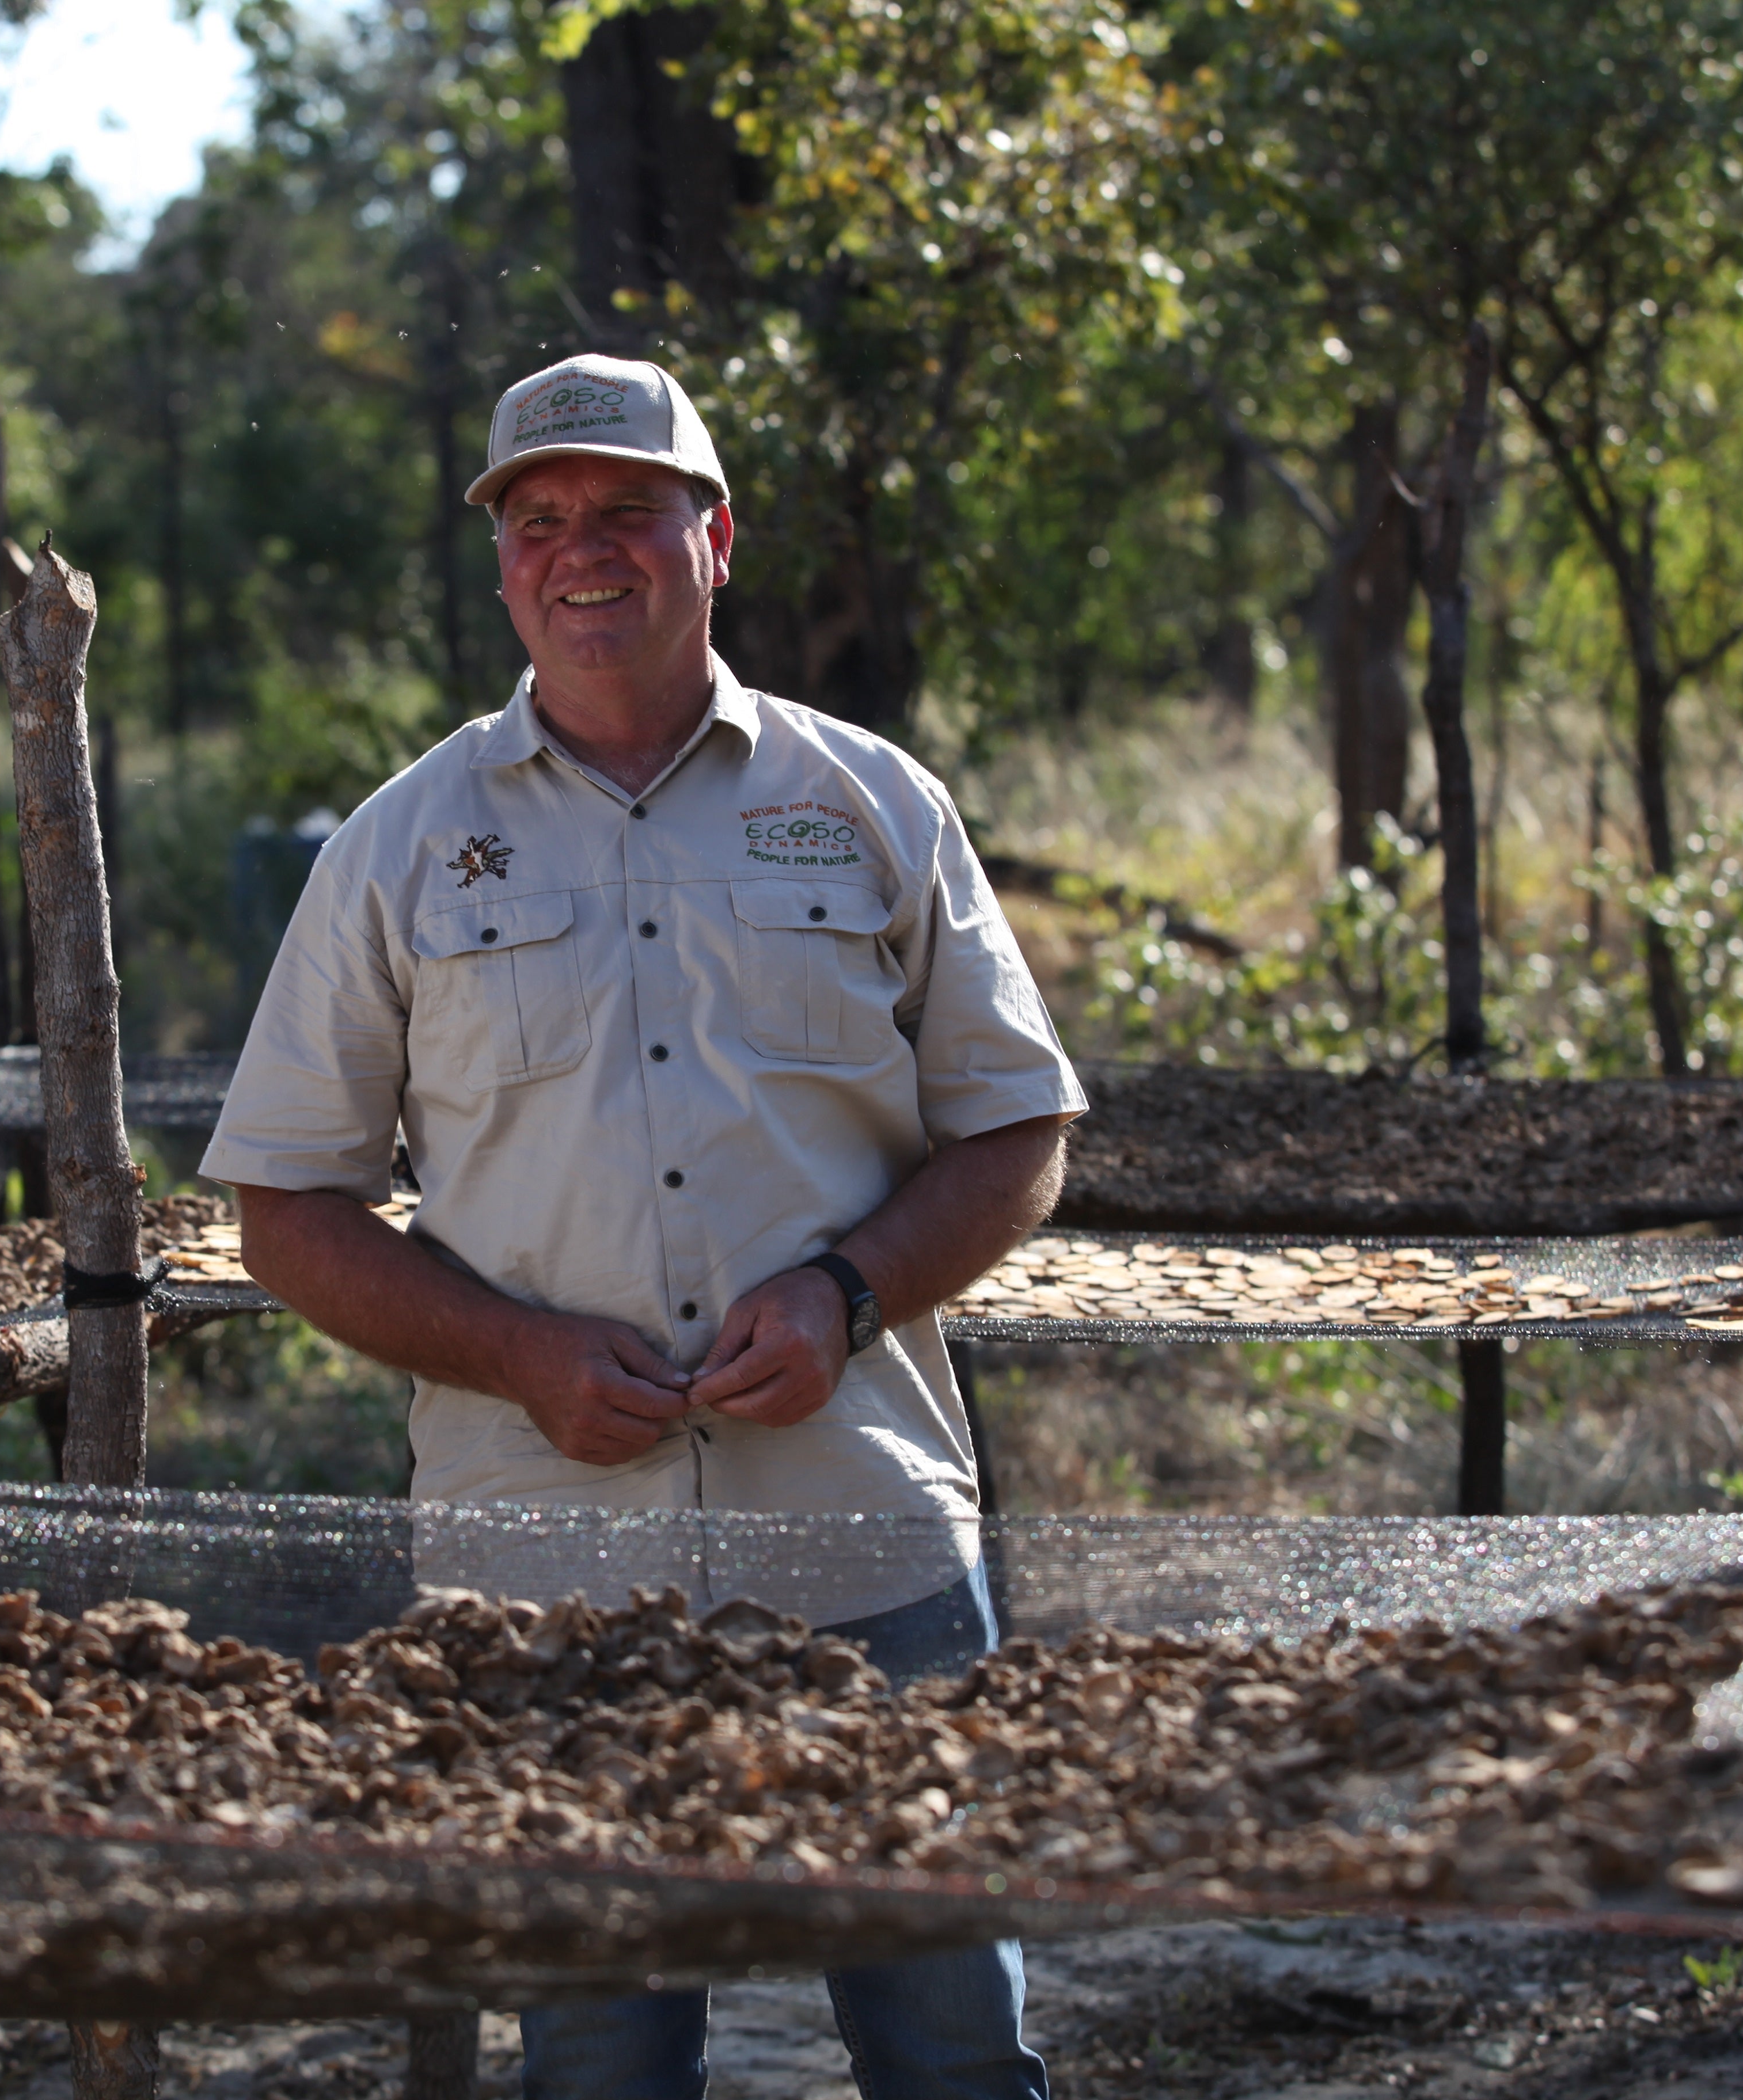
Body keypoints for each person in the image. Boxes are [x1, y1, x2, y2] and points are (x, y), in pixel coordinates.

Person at [199, 350, 1086, 2100]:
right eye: (538, 520)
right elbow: (284, 1208)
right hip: (548, 1580)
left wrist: (848, 1292)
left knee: (956, 2053)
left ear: (717, 536)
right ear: (503, 562)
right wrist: (517, 1353)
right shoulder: (397, 847)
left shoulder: (870, 804)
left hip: (865, 1549)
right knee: (599, 2067)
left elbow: (1020, 1129)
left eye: (626, 509)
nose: (580, 550)